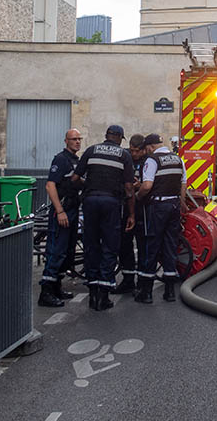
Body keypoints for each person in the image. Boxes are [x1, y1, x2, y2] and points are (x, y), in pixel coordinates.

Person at [71, 124, 135, 311]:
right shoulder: (124, 155)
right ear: (120, 138)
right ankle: (104, 296)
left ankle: (92, 294)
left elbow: (74, 179)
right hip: (111, 203)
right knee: (109, 245)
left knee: (91, 245)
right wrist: (131, 214)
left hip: (90, 201)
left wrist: (89, 185)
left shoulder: (91, 151)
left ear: (106, 136)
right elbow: (129, 188)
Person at [133, 133, 186, 304]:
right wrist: (181, 204)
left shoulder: (152, 160)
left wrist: (137, 196)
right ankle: (170, 292)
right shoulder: (178, 159)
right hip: (174, 205)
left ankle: (146, 292)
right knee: (170, 246)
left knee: (152, 246)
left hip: (158, 207)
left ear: (149, 147)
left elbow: (147, 186)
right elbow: (183, 184)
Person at [38, 128, 83, 307]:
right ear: (66, 141)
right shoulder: (61, 159)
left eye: (79, 139)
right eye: (74, 139)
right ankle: (46, 293)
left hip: (72, 209)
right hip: (62, 211)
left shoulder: (75, 161)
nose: (77, 142)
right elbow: (50, 186)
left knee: (66, 252)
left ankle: (56, 287)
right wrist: (60, 211)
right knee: (56, 251)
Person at [114, 134, 146, 294]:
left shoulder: (149, 161)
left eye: (136, 151)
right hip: (125, 208)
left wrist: (141, 185)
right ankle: (127, 281)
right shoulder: (125, 157)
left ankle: (142, 282)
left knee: (143, 246)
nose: (134, 154)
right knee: (124, 245)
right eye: (132, 150)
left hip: (143, 209)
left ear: (143, 149)